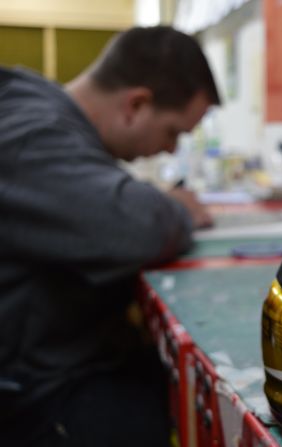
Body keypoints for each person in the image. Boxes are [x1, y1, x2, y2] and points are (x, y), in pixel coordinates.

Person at [0, 26, 220, 446]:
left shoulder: (43, 120)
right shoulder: (32, 134)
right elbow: (136, 227)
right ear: (136, 104)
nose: (171, 151)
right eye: (173, 132)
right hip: (30, 391)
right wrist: (179, 208)